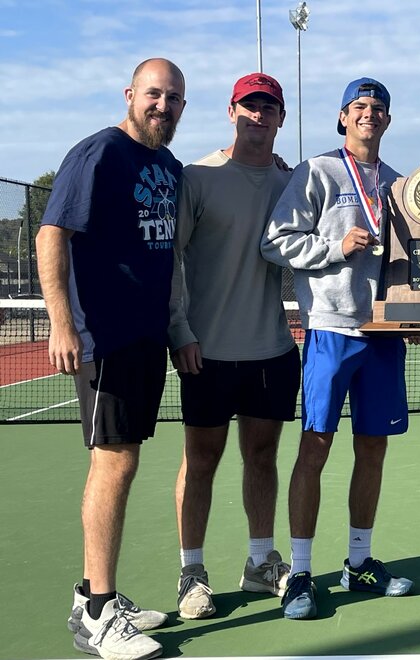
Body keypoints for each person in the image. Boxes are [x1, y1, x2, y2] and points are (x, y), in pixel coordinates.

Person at [36, 58, 186, 660]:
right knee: (113, 465)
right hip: (105, 338)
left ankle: (92, 598)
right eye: (154, 94)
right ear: (131, 94)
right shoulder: (100, 152)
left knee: (125, 459)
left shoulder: (169, 167)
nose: (163, 106)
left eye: (174, 99)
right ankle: (100, 613)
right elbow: (52, 233)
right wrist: (62, 323)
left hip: (147, 338)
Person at [261, 77, 413, 620]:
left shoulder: (399, 185)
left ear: (388, 121)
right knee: (315, 448)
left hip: (384, 336)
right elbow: (275, 241)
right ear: (344, 118)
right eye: (359, 107)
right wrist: (333, 246)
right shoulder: (317, 171)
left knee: (373, 449)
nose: (369, 114)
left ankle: (358, 562)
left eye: (378, 107)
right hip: (330, 331)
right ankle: (300, 573)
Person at [168, 72, 300, 620]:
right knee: (200, 461)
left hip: (271, 349)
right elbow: (171, 258)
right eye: (250, 106)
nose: (259, 115)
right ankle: (191, 572)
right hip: (207, 351)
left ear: (280, 119)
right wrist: (180, 330)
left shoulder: (291, 183)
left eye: (269, 108)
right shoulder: (197, 176)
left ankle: (258, 563)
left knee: (262, 457)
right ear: (231, 111)